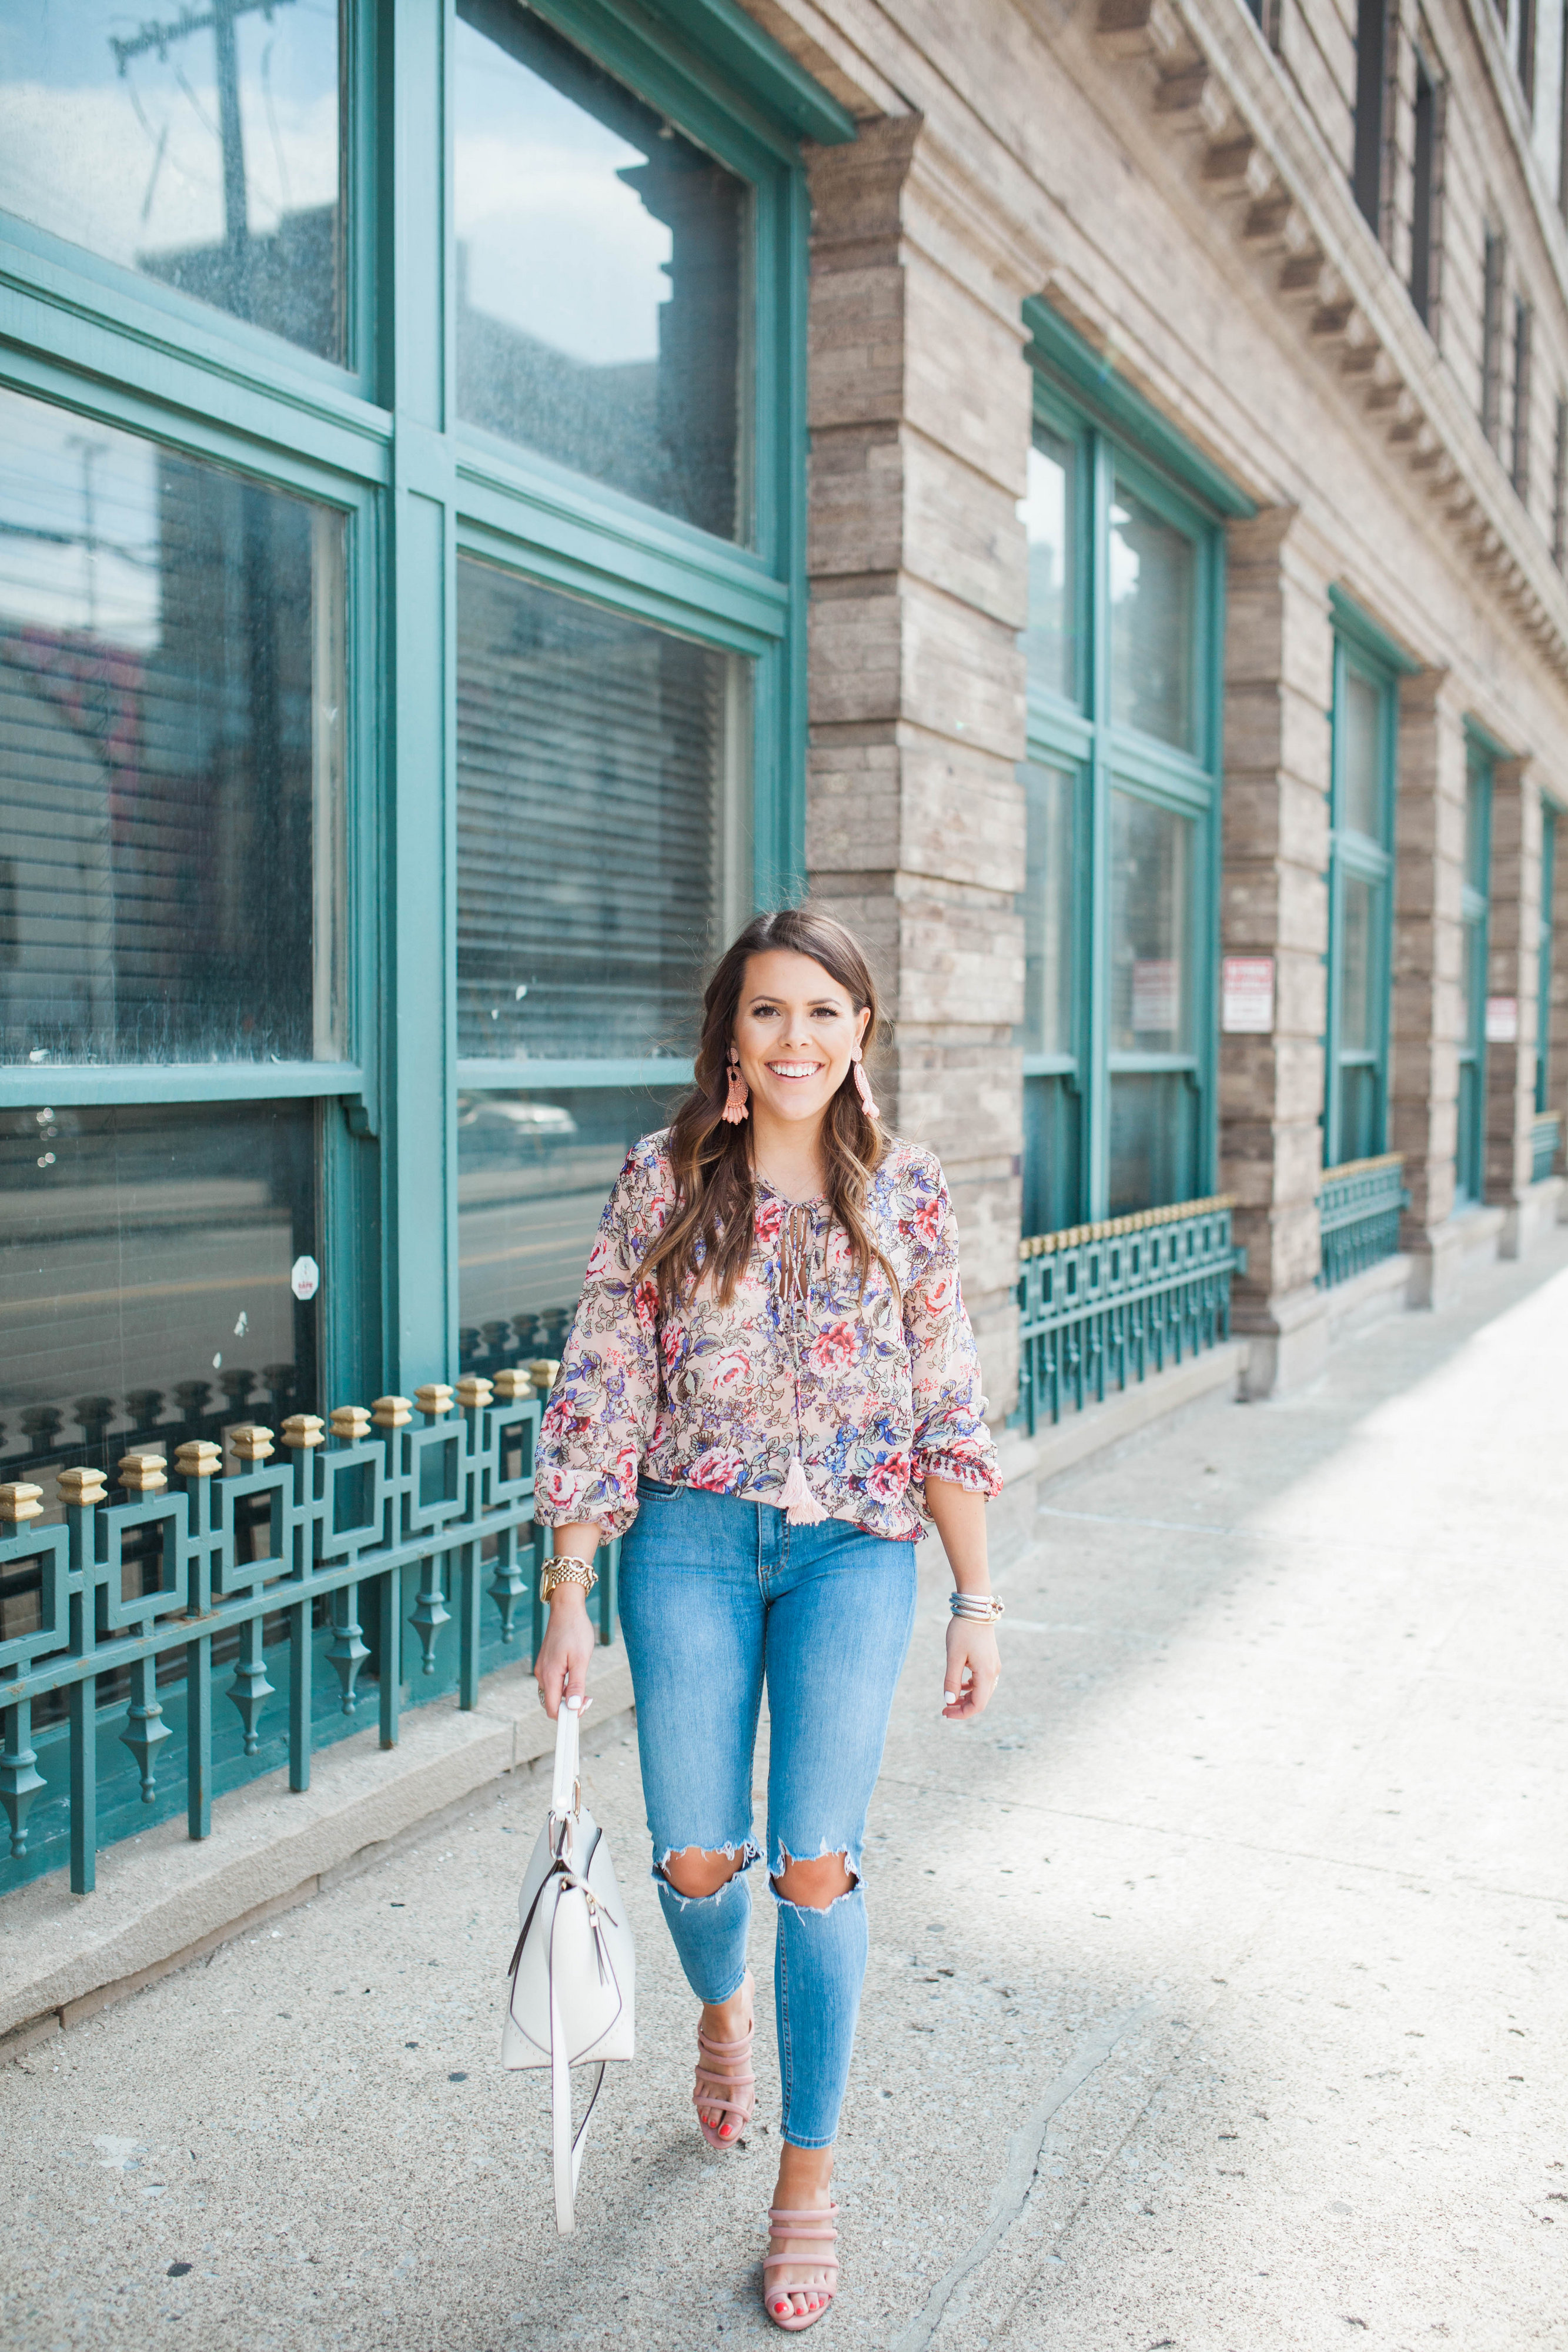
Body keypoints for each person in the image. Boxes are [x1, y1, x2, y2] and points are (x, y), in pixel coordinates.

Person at [531, 905, 1003, 2333]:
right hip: (684, 1534)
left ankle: (807, 2173)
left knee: (814, 1861)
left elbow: (947, 1404)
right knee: (691, 1856)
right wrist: (566, 1593)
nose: (792, 1035)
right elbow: (601, 1383)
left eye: (820, 1010)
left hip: (855, 1550)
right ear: (729, 1036)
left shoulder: (904, 1192)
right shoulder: (664, 1178)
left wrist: (975, 1596)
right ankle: (719, 2003)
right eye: (765, 1011)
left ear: (861, 1032)